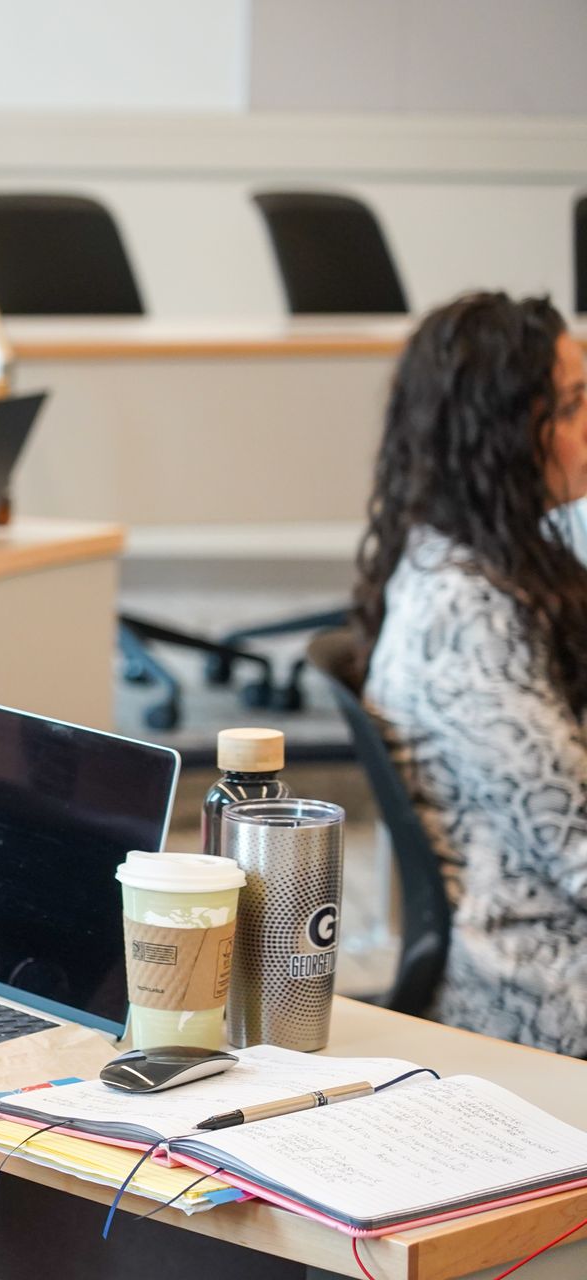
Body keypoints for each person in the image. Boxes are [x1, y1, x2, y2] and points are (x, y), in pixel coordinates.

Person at [356, 291, 587, 1057]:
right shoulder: (466, 618)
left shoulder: (470, 557)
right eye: (576, 404)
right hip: (539, 981)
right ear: (505, 435)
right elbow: (577, 842)